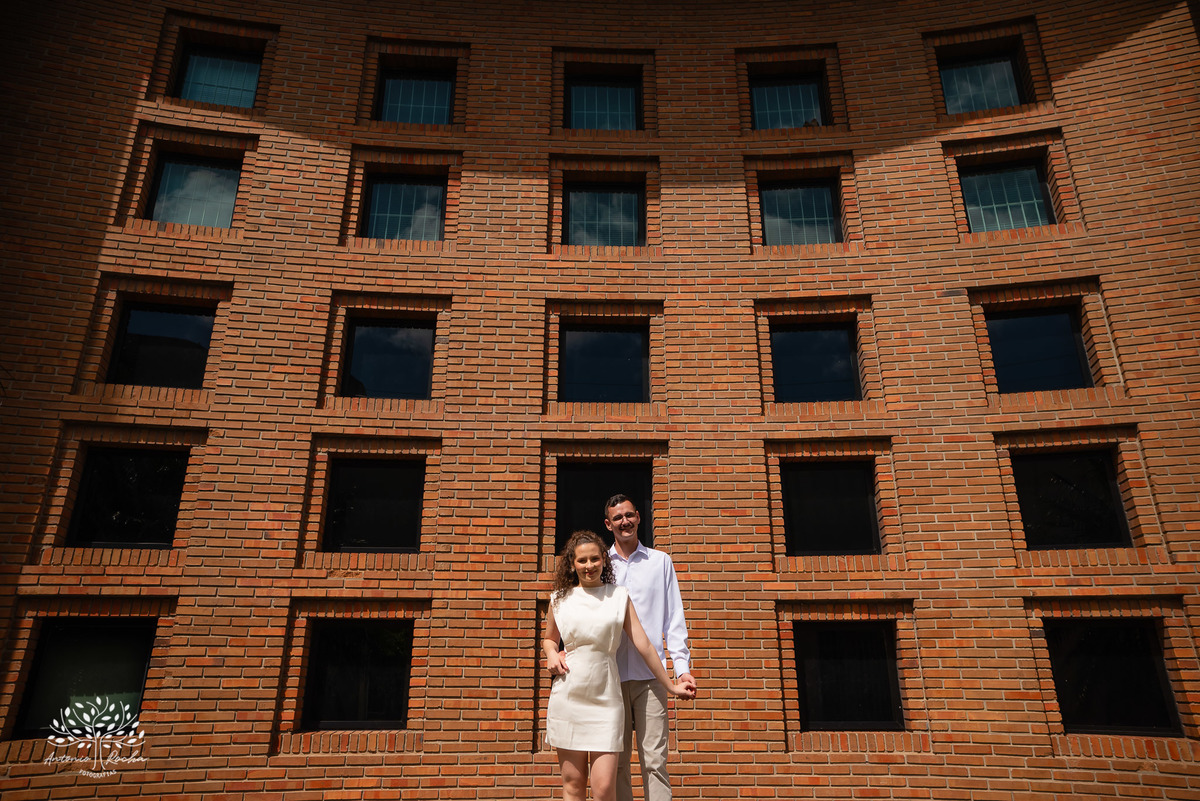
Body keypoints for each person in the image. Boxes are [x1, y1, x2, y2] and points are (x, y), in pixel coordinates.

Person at [543, 530, 695, 801]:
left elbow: (645, 645)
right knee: (574, 787)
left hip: (607, 701)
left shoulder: (619, 596)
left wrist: (671, 686)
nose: (589, 566)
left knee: (603, 790)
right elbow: (550, 640)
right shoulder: (559, 599)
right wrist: (552, 654)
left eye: (594, 559)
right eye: (581, 561)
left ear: (604, 559)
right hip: (569, 698)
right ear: (572, 564)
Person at [604, 494, 695, 801]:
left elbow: (674, 620)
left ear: (639, 517)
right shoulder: (599, 565)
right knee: (615, 763)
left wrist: (681, 671)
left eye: (629, 515)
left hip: (651, 679)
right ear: (608, 524)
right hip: (610, 678)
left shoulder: (660, 562)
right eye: (617, 518)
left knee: (655, 762)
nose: (624, 522)